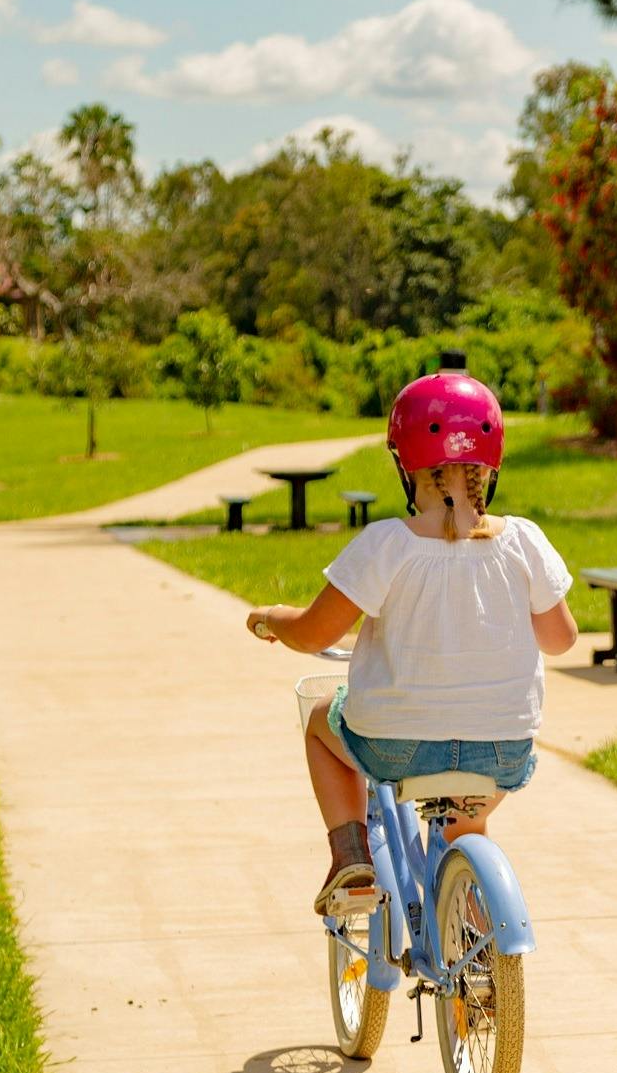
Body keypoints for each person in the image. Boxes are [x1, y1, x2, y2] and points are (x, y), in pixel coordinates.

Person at [247, 372, 578, 914]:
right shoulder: (523, 540)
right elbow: (560, 639)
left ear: (405, 464)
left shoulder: (387, 544)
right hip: (500, 751)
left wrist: (273, 618)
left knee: (319, 723)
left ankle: (350, 855)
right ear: (490, 465)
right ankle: (477, 952)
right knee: (464, 821)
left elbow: (315, 633)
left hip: (395, 746)